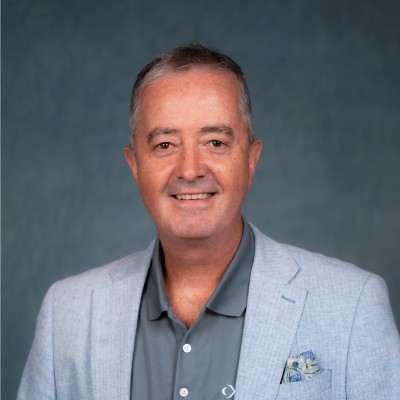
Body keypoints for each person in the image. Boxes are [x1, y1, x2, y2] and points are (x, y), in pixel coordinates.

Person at [18, 44, 399, 400]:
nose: (190, 170)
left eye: (215, 142)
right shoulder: (67, 313)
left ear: (251, 159)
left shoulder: (352, 305)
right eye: (165, 145)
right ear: (135, 165)